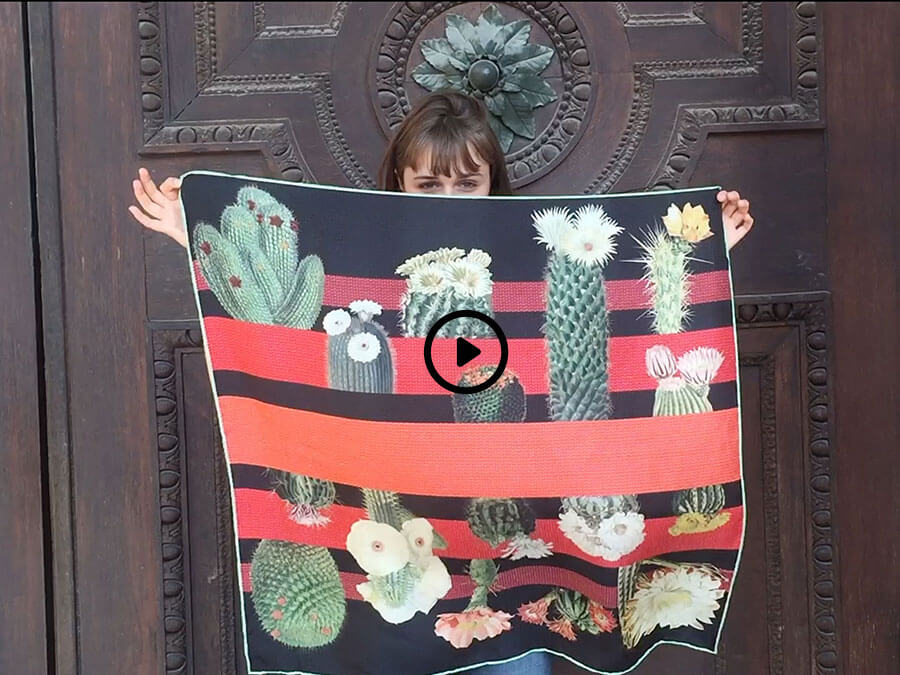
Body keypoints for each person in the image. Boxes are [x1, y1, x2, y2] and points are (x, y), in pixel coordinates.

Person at [128, 91, 753, 675]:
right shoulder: (365, 261)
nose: (447, 197)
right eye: (428, 182)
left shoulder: (532, 261)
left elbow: (616, 303)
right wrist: (198, 240)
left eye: (466, 181)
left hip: (507, 567)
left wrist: (705, 254)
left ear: (492, 183)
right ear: (398, 182)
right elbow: (288, 333)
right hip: (400, 544)